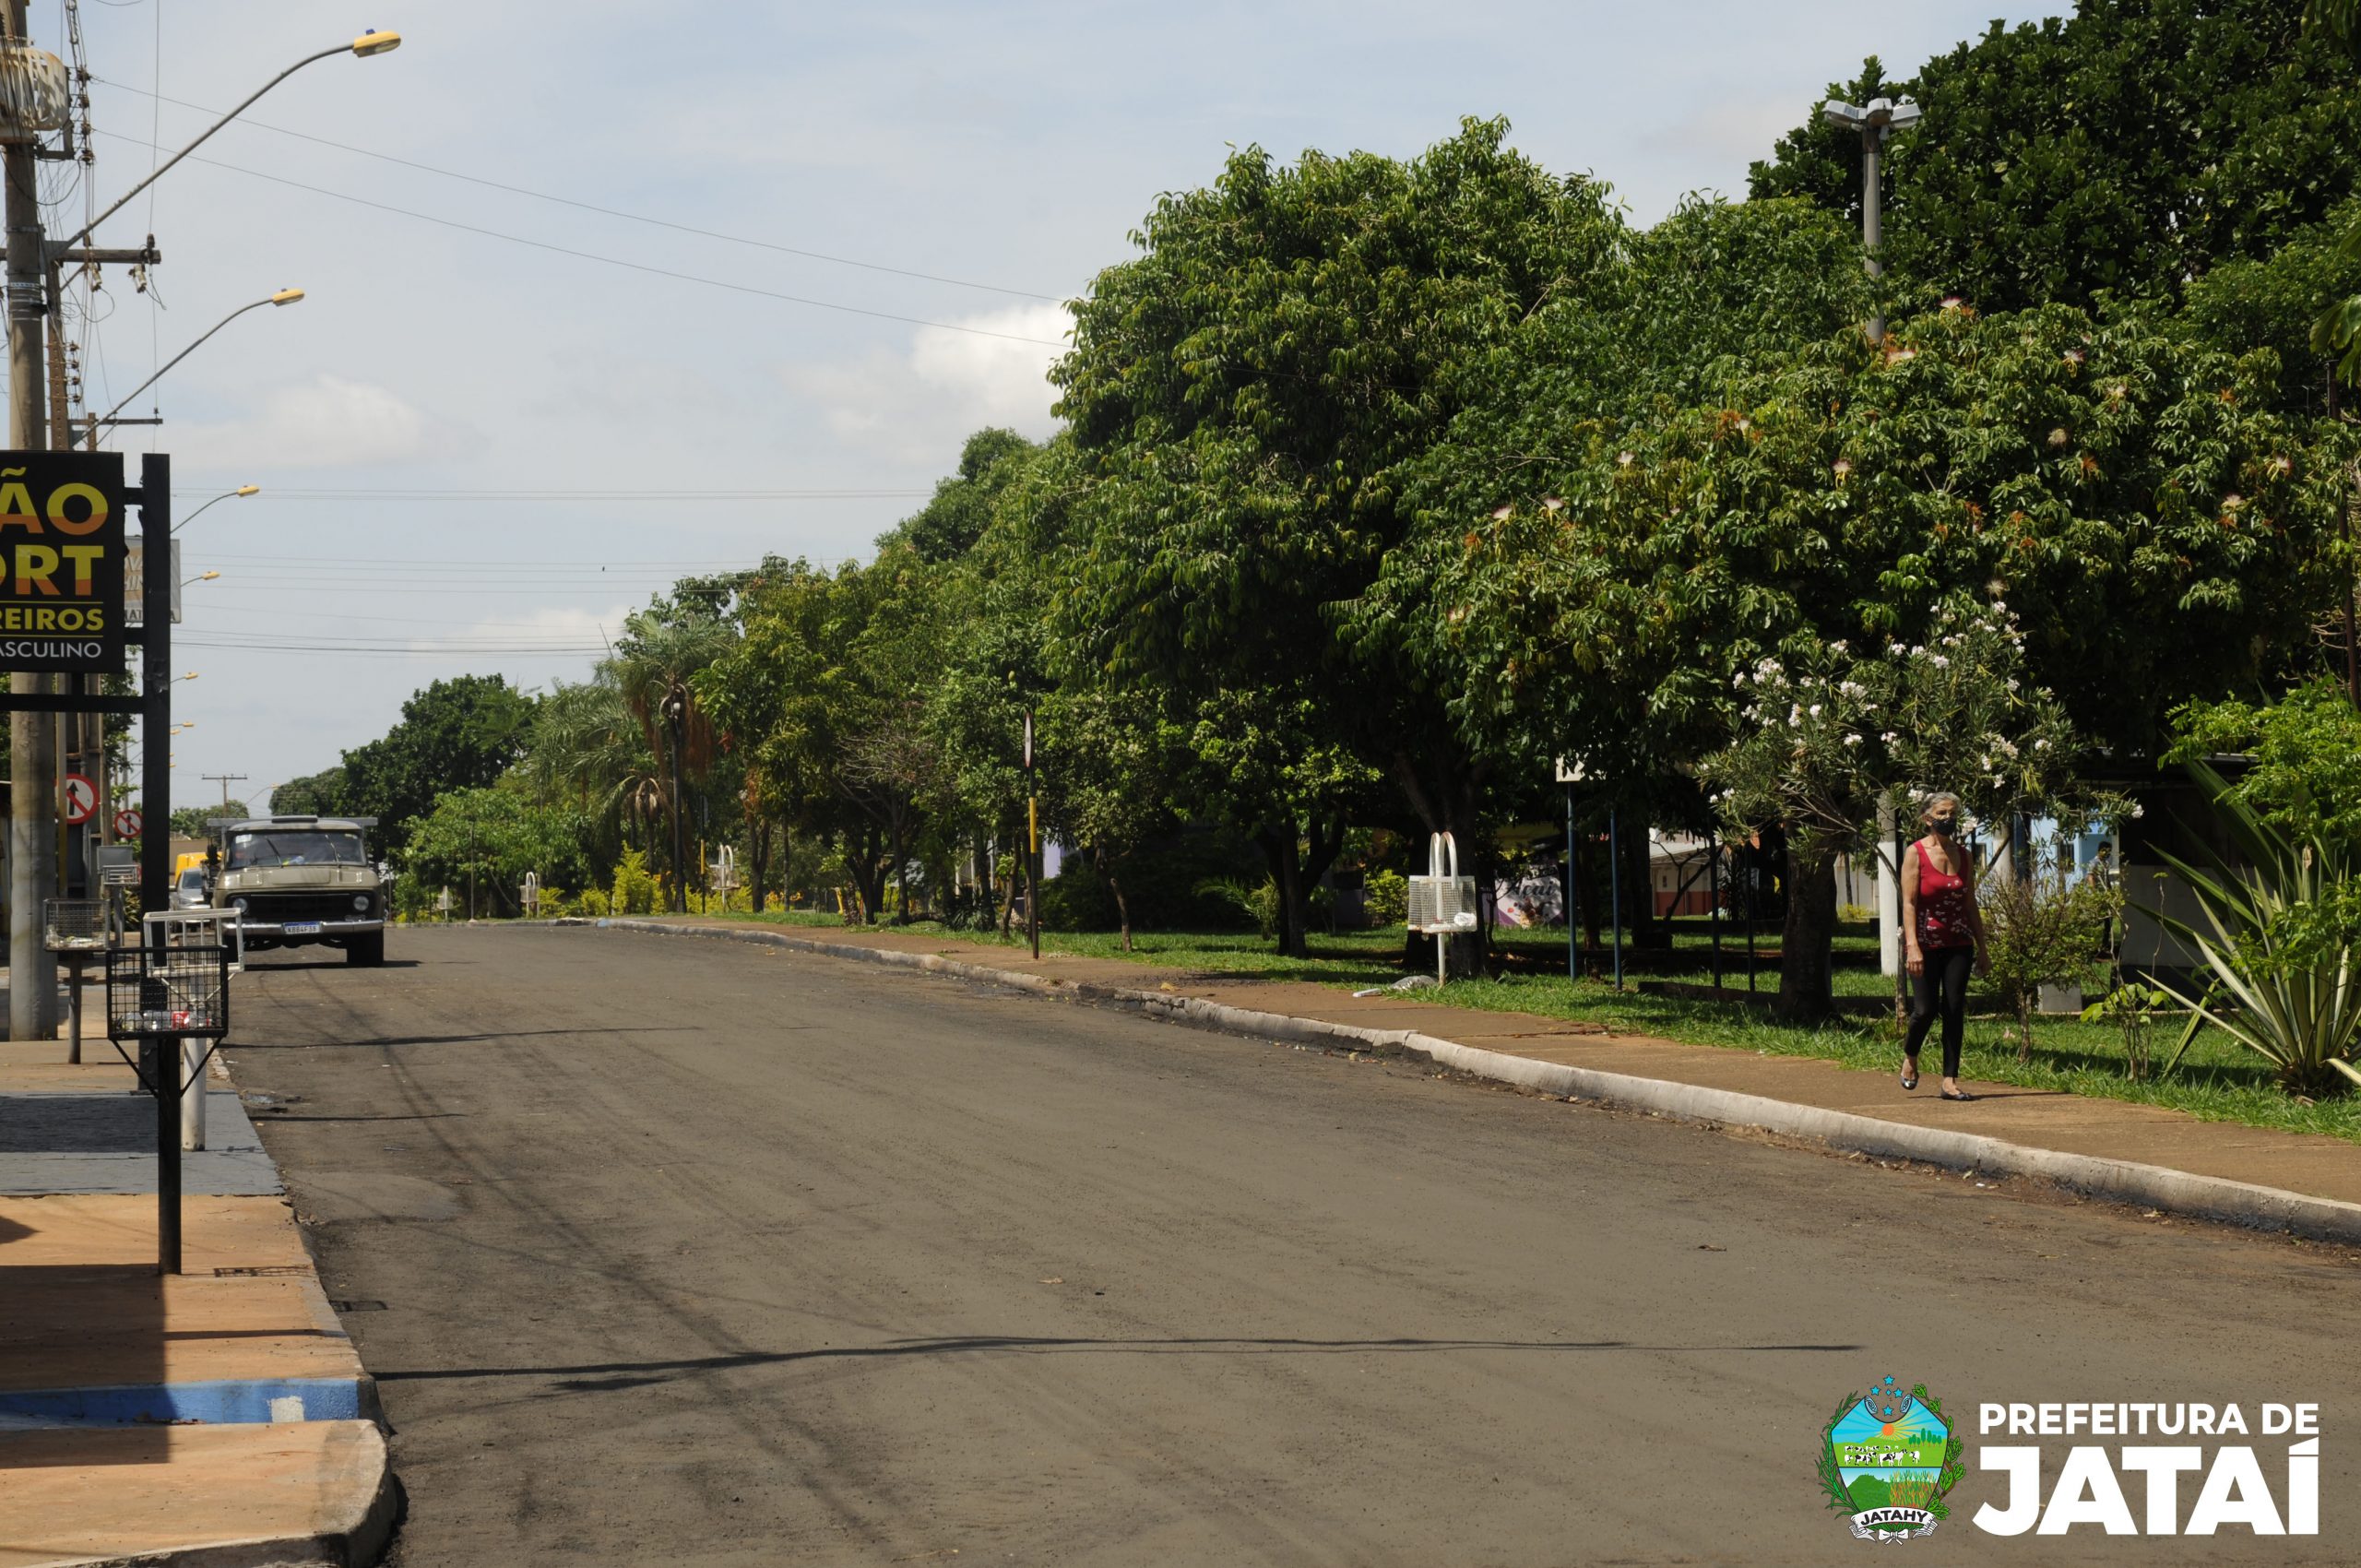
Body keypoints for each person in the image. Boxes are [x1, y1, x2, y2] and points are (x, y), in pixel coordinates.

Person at [1899, 791, 1989, 1101]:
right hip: (1924, 942)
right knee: (1925, 1010)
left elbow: (1970, 903)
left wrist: (1983, 946)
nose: (1947, 819)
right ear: (1927, 818)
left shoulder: (1964, 855)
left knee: (1954, 1009)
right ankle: (1911, 1056)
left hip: (1958, 941)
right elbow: (1909, 903)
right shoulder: (1915, 853)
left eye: (1952, 813)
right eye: (1941, 813)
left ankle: (1949, 1080)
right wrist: (1912, 945)